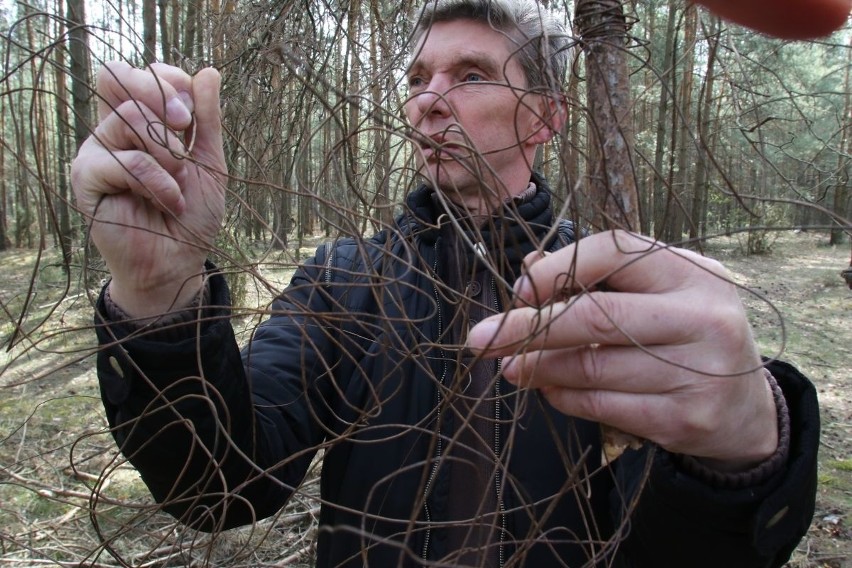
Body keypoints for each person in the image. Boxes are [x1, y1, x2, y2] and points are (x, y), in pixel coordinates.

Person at [71, 0, 843, 566]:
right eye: (417, 78)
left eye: (470, 74)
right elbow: (219, 486)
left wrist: (748, 448)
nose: (429, 98)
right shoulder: (344, 280)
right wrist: (156, 293)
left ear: (543, 118)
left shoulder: (617, 293)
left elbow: (684, 553)